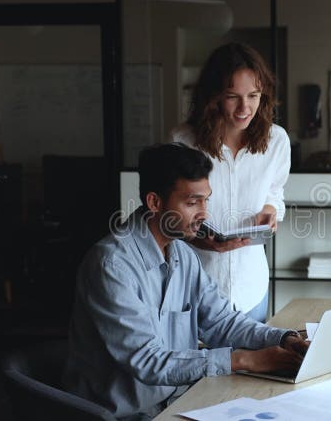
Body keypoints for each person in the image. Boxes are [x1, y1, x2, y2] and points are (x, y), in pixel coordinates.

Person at [62, 143, 308, 420]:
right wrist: (244, 360)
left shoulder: (182, 254)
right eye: (192, 202)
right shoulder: (111, 266)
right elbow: (148, 361)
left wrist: (284, 338)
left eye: (206, 200)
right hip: (127, 415)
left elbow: (222, 321)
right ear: (155, 202)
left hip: (178, 401)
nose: (204, 214)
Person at [173, 43, 291, 322]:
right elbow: (169, 212)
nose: (245, 108)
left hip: (252, 290)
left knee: (249, 366)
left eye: (253, 95)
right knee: (201, 366)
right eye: (232, 96)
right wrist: (200, 240)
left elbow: (275, 192)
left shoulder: (277, 141)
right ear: (212, 97)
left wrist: (271, 211)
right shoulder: (182, 142)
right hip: (196, 288)